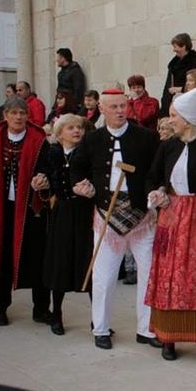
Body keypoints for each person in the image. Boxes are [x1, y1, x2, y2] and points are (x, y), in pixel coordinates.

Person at [70, 88, 161, 350]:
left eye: (124, 106)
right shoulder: (92, 139)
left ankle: (146, 328)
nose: (120, 111)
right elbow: (77, 167)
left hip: (140, 214)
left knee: (148, 273)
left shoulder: (146, 137)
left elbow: (156, 170)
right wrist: (80, 185)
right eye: (114, 107)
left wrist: (156, 191)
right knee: (104, 276)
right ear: (101, 109)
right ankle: (100, 328)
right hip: (105, 213)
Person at [144, 86, 196, 361]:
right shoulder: (168, 145)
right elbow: (153, 177)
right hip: (172, 215)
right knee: (170, 275)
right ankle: (168, 337)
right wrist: (158, 192)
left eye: (174, 115)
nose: (169, 120)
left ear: (187, 119)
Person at [0, 98, 52, 326]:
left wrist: (43, 179)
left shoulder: (39, 140)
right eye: (14, 113)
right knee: (1, 258)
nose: (19, 117)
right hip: (2, 210)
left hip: (30, 210)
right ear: (5, 115)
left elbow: (48, 167)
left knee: (38, 259)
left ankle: (41, 309)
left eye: (22, 113)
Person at [41, 114, 92, 335]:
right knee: (60, 262)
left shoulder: (88, 154)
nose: (76, 131)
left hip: (83, 213)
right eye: (70, 128)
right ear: (60, 133)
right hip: (61, 213)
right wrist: (41, 185)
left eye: (79, 127)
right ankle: (57, 314)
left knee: (88, 262)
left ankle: (97, 318)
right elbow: (47, 184)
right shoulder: (52, 154)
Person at [159, 33, 196, 118]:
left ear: (183, 46)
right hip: (171, 104)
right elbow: (167, 86)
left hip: (187, 105)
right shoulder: (173, 65)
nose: (173, 50)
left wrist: (180, 89)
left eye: (175, 47)